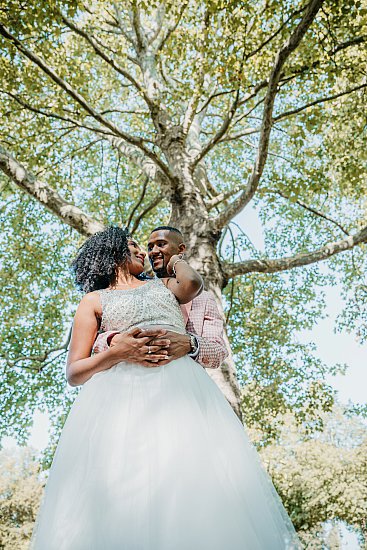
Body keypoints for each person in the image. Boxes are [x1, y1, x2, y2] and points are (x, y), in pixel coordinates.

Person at [31, 226, 301, 549]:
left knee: (188, 482)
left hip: (180, 390)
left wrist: (175, 267)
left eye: (156, 246)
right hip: (118, 398)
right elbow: (75, 370)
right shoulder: (93, 301)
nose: (145, 252)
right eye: (136, 246)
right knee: (123, 482)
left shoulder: (164, 286)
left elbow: (193, 291)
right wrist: (117, 349)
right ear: (113, 251)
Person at [93, 225, 228, 371]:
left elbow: (218, 351)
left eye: (161, 244)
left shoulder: (203, 299)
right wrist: (112, 339)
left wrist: (189, 343)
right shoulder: (126, 292)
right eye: (150, 247)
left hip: (184, 378)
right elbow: (91, 343)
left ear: (181, 249)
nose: (153, 252)